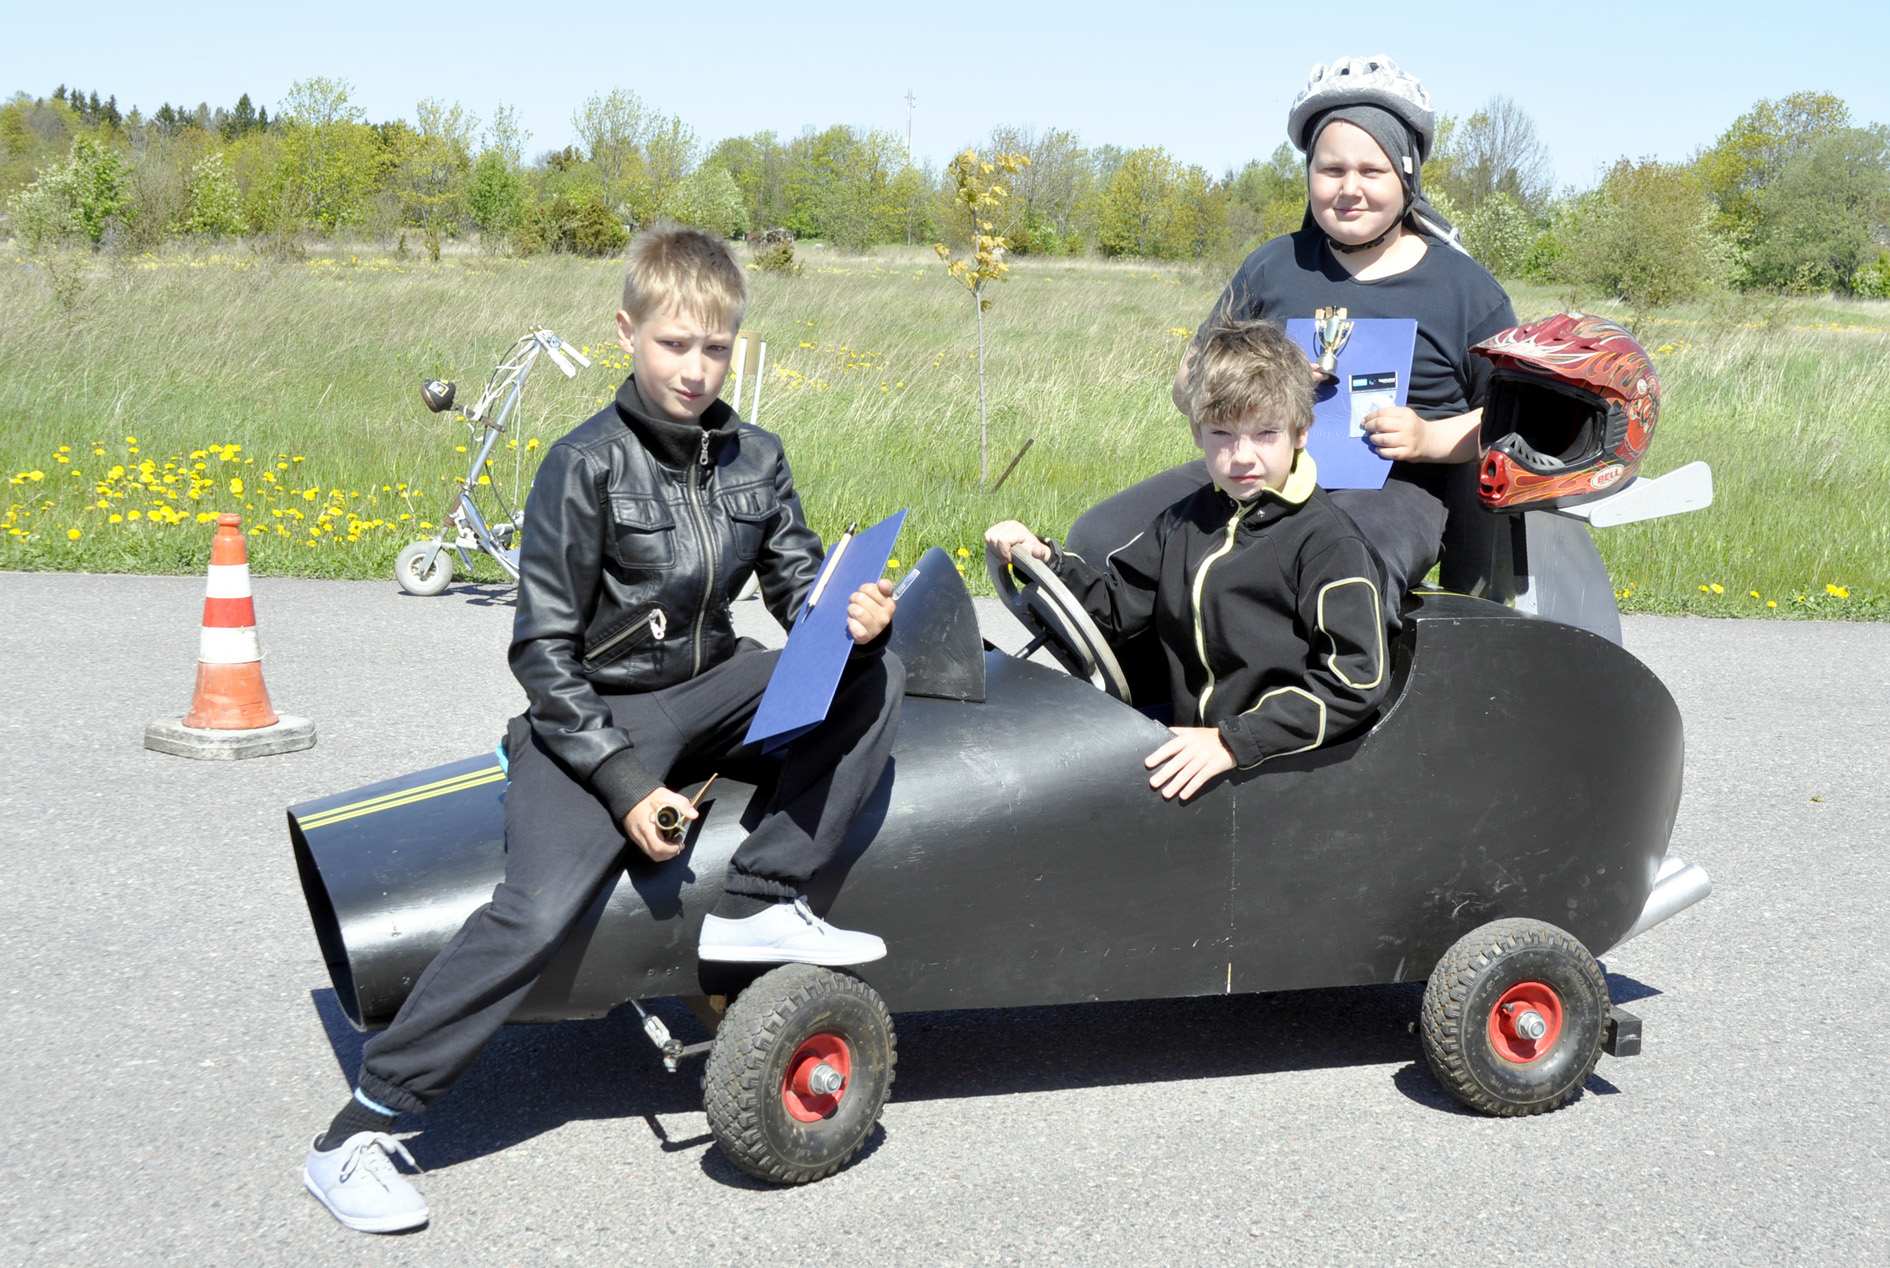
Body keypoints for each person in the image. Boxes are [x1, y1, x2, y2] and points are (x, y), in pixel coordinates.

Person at [302, 224, 904, 1234]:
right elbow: (541, 652)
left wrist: (845, 612)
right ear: (628, 332)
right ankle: (362, 1128)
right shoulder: (583, 463)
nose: (694, 368)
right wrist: (626, 787)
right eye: (674, 344)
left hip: (710, 687)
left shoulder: (758, 456)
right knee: (536, 912)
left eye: (715, 348)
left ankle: (761, 898)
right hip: (589, 711)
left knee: (872, 669)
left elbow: (796, 581)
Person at [1089, 55, 1518, 602]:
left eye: (1372, 171)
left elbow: (1512, 422)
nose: (1350, 189)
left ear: (1407, 177)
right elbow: (1188, 384)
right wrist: (1259, 381)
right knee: (1100, 539)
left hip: (1395, 489)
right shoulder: (1274, 266)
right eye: (1331, 170)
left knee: (1326, 566)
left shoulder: (1465, 290)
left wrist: (1427, 438)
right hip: (1257, 470)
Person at [987, 318, 1388, 800]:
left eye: (1265, 433)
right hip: (1192, 745)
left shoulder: (1328, 544)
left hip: (1275, 769)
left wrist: (1234, 741)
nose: (1242, 457)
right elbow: (1115, 610)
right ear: (1197, 433)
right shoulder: (1186, 520)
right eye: (1222, 433)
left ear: (1300, 431)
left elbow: (1355, 681)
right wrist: (1047, 559)